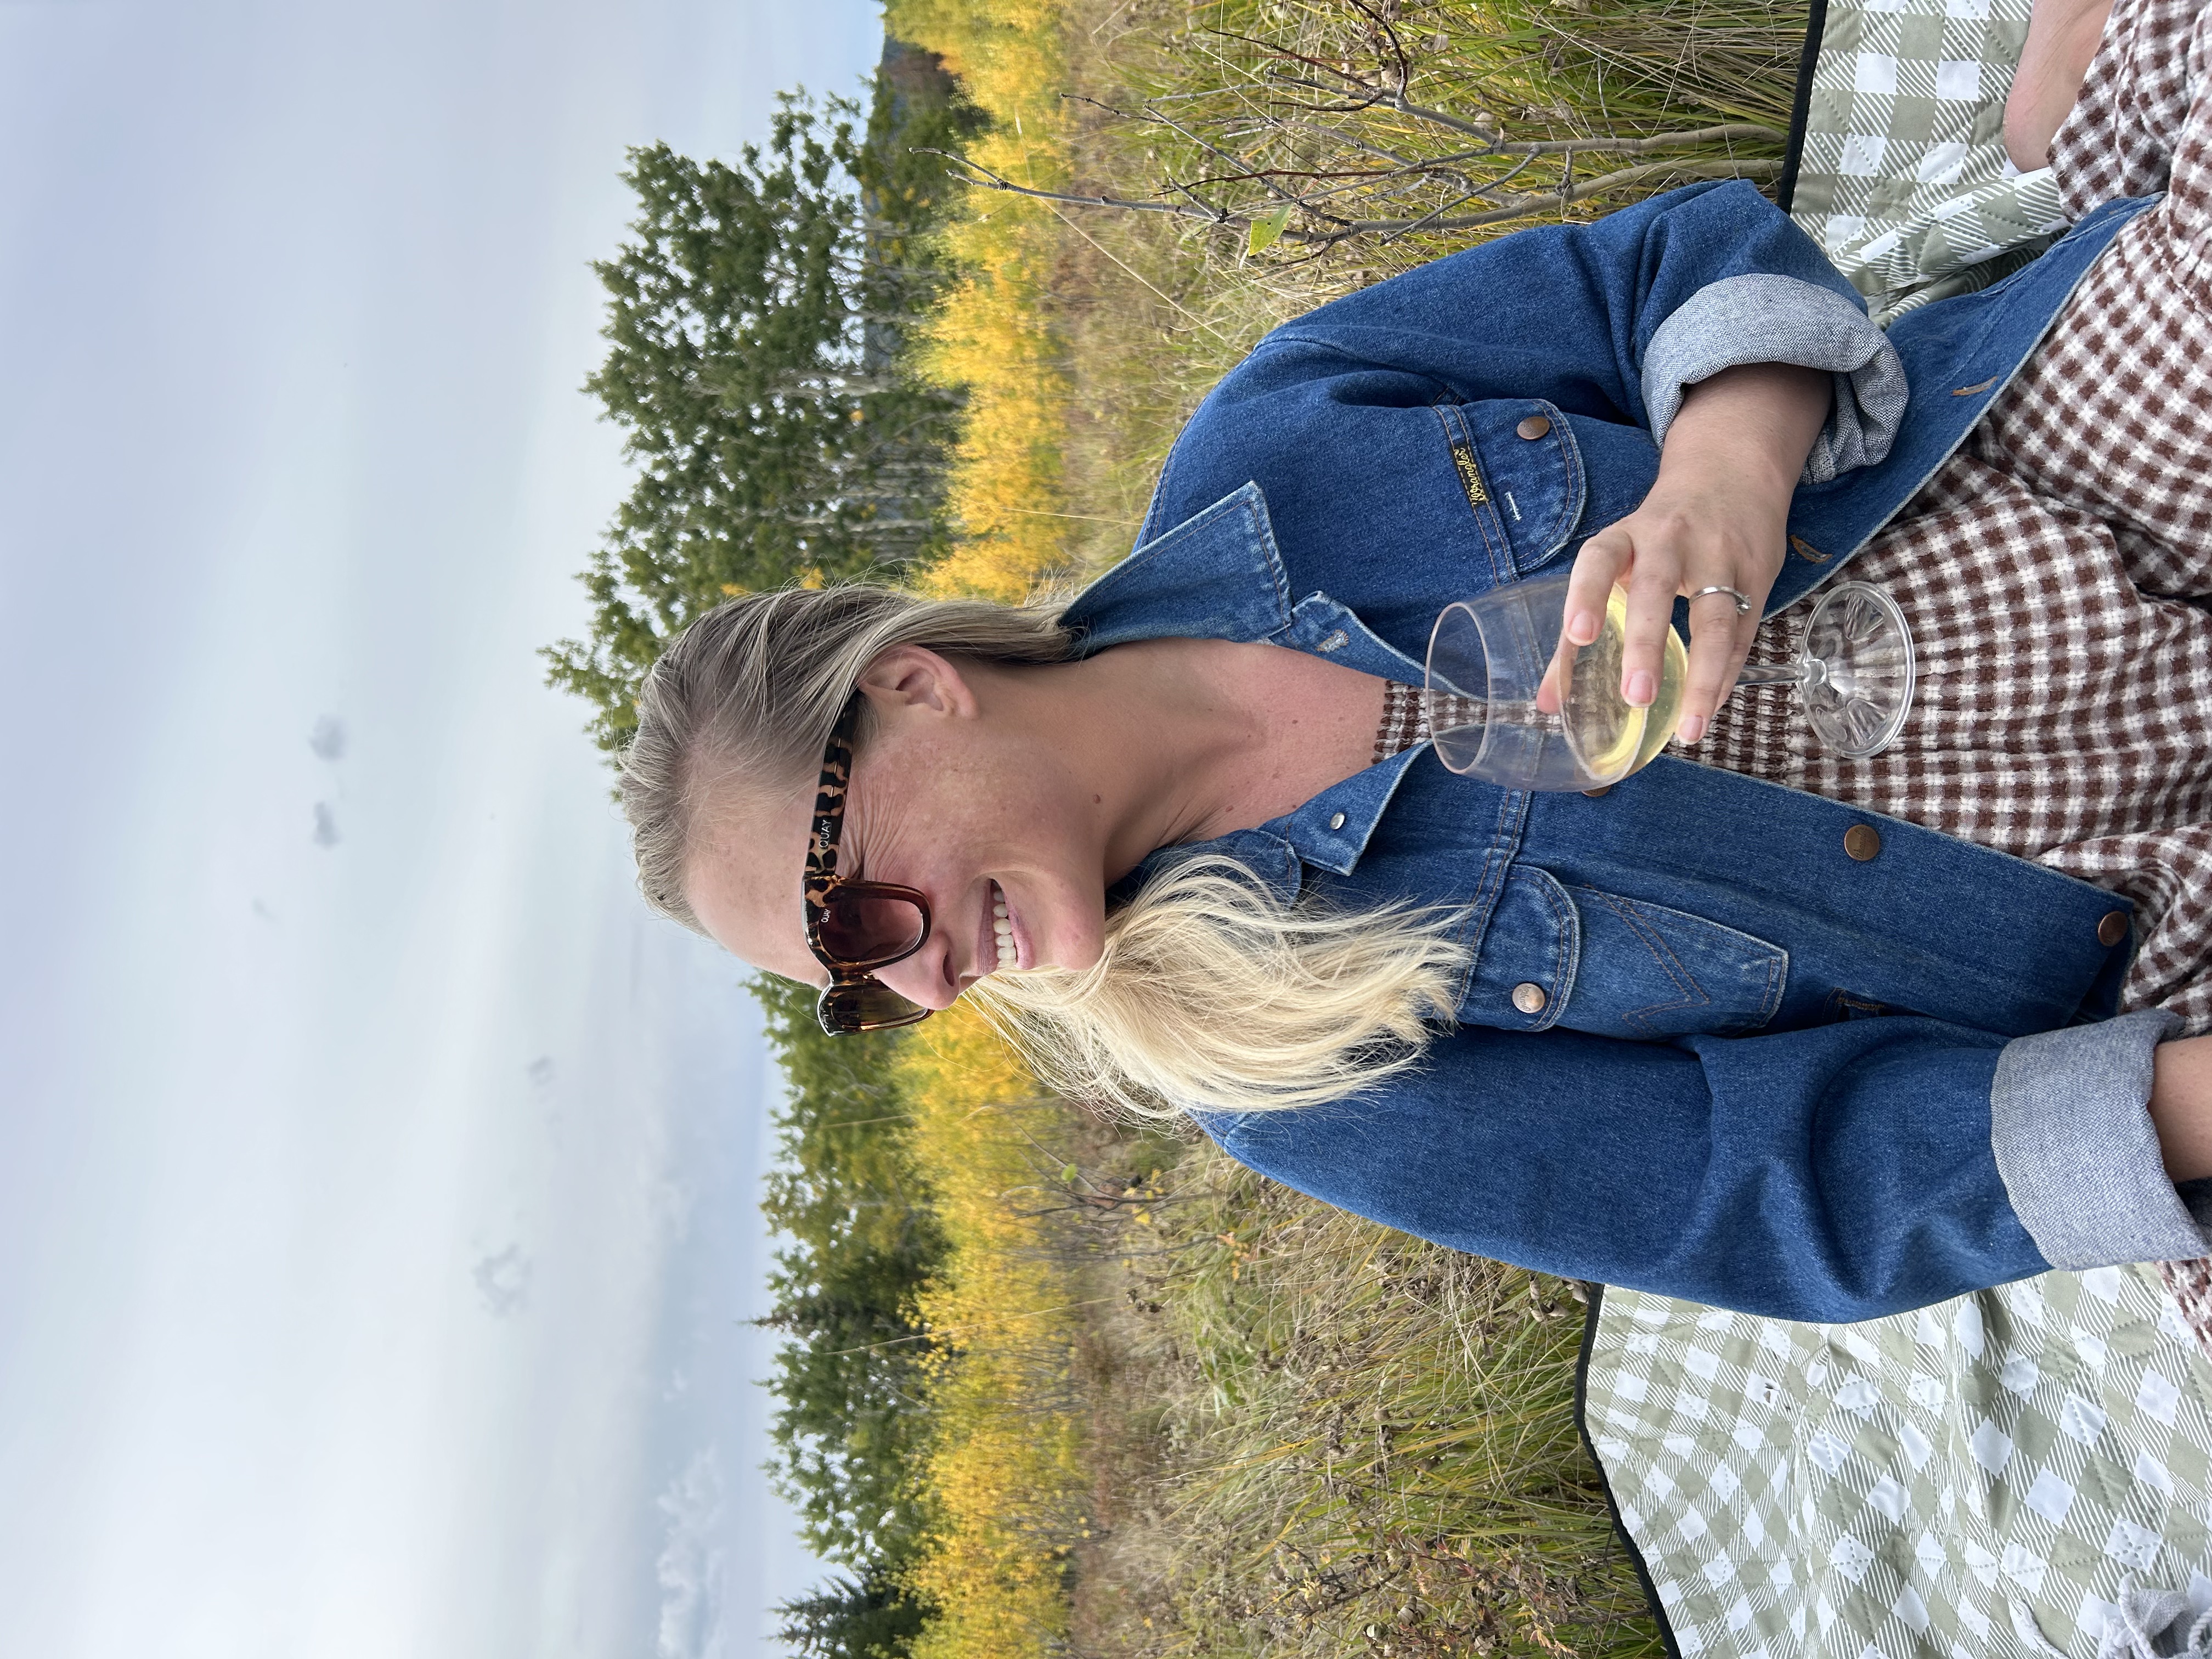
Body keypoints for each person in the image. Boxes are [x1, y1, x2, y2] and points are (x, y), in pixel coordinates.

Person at [622, 0, 2212, 1323]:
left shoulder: (1277, 441)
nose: (922, 979)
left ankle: (2064, 102)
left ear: (911, 688)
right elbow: (1767, 1196)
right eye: (859, 994)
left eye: (853, 907)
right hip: (2132, 904)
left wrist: (1721, 474)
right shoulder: (1277, 1061)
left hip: (2039, 477)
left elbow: (1661, 270)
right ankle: (2065, 106)